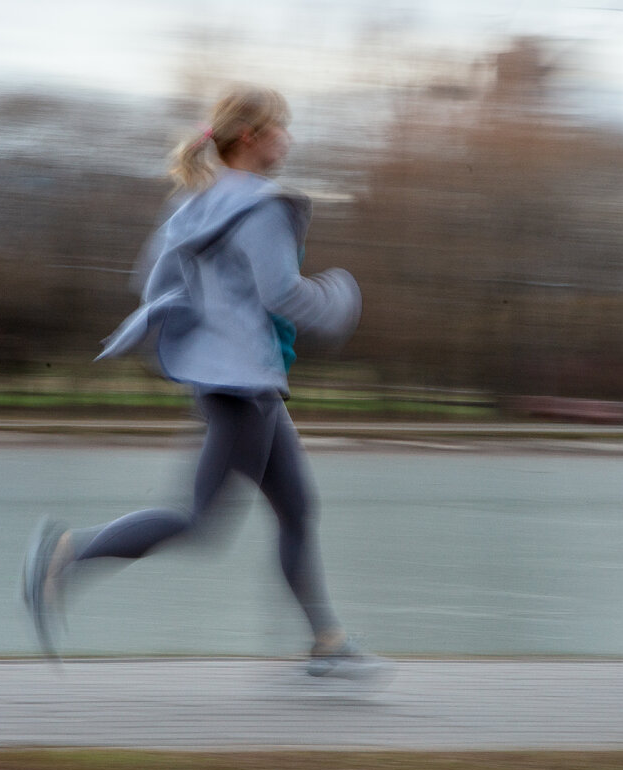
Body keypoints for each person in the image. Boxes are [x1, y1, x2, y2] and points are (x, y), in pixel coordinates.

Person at [22, 84, 385, 680]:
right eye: (282, 128)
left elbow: (154, 279)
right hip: (244, 385)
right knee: (196, 518)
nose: (289, 139)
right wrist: (341, 295)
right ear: (252, 137)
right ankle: (65, 555)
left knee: (296, 508)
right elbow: (283, 293)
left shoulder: (194, 203)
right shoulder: (262, 207)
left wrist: (208, 328)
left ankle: (328, 642)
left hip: (230, 379)